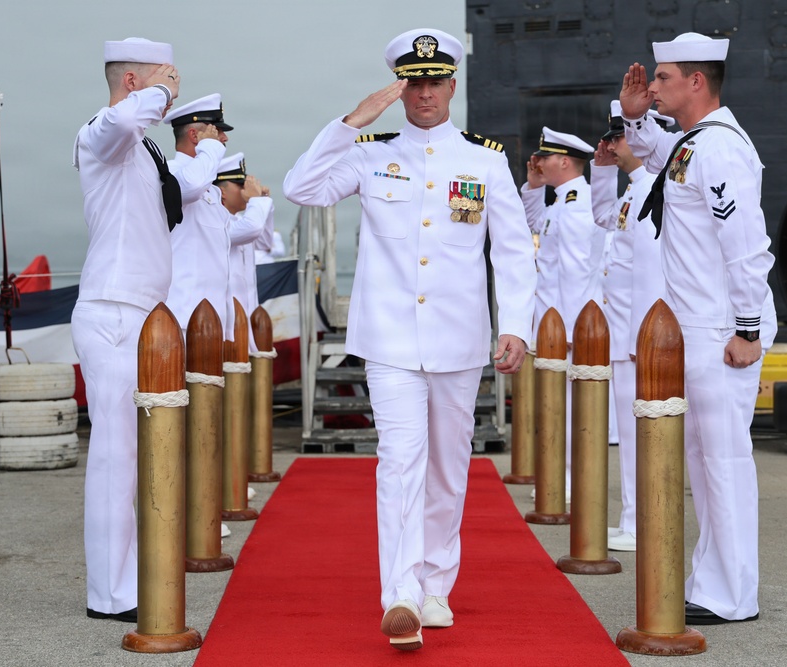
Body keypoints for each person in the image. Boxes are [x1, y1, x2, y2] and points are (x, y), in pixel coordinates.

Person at [283, 28, 536, 651]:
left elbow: (511, 250)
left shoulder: (483, 158)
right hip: (390, 339)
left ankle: (434, 587)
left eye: (435, 81)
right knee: (399, 463)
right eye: (413, 82)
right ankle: (398, 594)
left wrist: (516, 327)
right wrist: (350, 121)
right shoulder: (369, 152)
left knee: (448, 470)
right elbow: (300, 188)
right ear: (401, 88)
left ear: (452, 85)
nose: (424, 93)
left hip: (457, 339)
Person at [619, 32, 777, 625]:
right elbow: (661, 162)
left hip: (719, 332)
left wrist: (747, 328)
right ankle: (712, 582)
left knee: (724, 465)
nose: (652, 85)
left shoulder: (722, 150)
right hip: (694, 332)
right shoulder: (695, 144)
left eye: (661, 78)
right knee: (704, 465)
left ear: (696, 82)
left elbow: (747, 248)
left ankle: (733, 593)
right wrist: (636, 118)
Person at [71, 37, 180, 623]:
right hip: (114, 310)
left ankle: (129, 575)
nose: (173, 89)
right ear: (134, 84)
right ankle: (110, 595)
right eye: (163, 79)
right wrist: (161, 91)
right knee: (115, 454)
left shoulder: (142, 150)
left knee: (136, 453)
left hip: (142, 312)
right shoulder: (103, 134)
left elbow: (185, 192)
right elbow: (121, 119)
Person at [589, 101, 670, 552]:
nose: (611, 145)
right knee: (632, 432)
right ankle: (632, 519)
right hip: (623, 335)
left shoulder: (649, 190)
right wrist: (602, 172)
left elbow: (650, 273)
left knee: (641, 436)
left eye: (616, 138)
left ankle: (640, 523)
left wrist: (644, 336)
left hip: (634, 337)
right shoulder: (632, 189)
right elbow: (604, 221)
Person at [520, 127, 614, 501]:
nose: (538, 162)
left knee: (574, 407)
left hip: (568, 325)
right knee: (554, 403)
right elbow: (531, 225)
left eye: (544, 157)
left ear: (563, 161)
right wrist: (531, 187)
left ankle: (575, 481)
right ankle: (557, 475)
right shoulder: (562, 200)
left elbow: (577, 269)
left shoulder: (578, 204)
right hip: (552, 323)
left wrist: (574, 325)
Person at [162, 93, 234, 336]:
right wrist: (211, 148)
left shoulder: (210, 189)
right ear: (195, 136)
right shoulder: (171, 173)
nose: (224, 138)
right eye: (217, 131)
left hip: (208, 322)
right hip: (181, 317)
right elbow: (190, 186)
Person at [215, 152, 276, 352]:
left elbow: (265, 242)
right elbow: (252, 229)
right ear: (222, 191)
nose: (246, 191)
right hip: (225, 327)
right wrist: (258, 202)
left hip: (244, 323)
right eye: (241, 186)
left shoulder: (240, 223)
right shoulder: (215, 224)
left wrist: (264, 202)